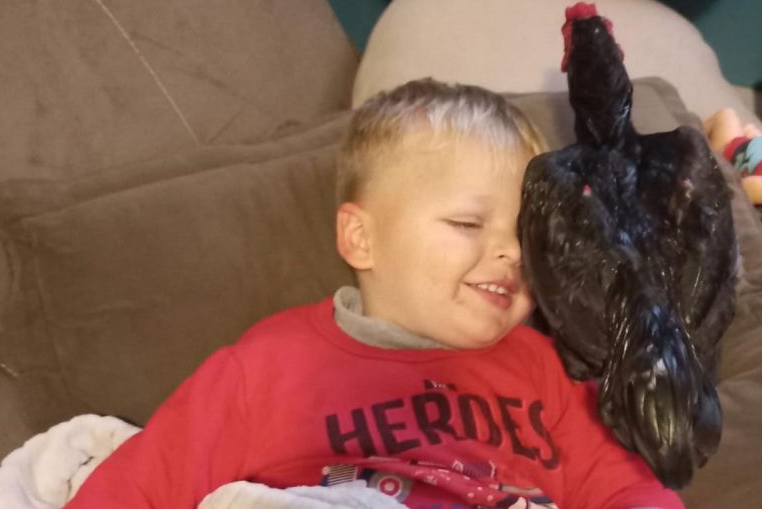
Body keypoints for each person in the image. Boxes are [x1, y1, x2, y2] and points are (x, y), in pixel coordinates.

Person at [67, 79, 682, 508]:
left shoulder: (545, 371)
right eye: (468, 223)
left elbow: (626, 488)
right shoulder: (269, 367)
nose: (513, 254)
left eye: (527, 236)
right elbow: (142, 484)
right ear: (361, 239)